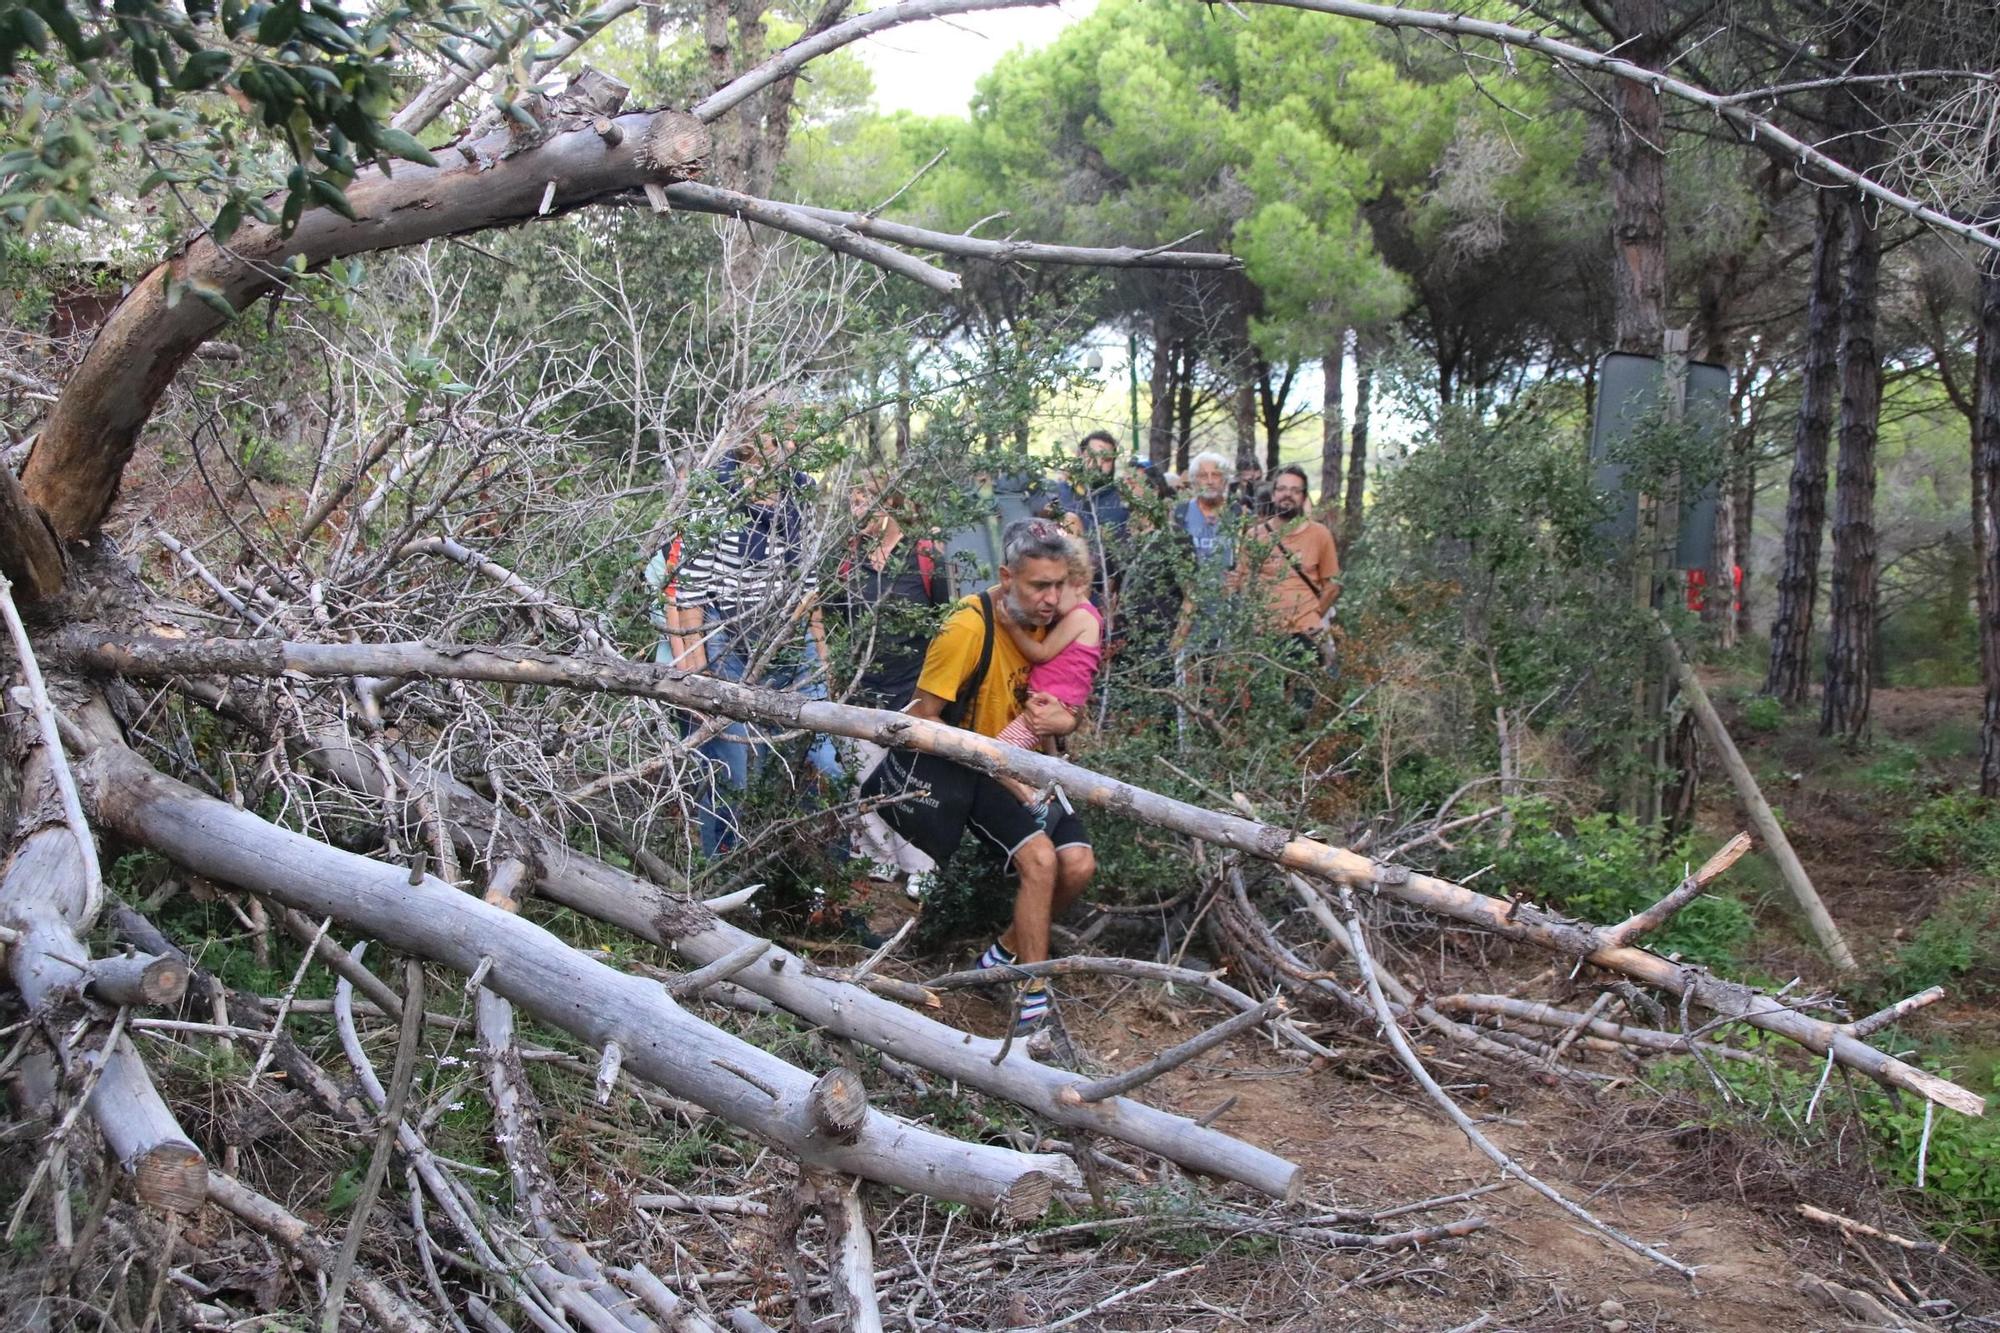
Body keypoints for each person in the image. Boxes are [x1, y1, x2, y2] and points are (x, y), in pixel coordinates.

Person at [860, 518, 1097, 1034]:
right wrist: (998, 770)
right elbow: (922, 716)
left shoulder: (1053, 622)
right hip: (976, 765)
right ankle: (1033, 997)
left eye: (1059, 585)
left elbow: (1069, 701)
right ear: (1007, 576)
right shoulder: (968, 626)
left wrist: (1069, 720)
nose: (1052, 599)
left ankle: (1001, 957)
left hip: (1032, 762)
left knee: (1076, 865)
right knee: (1039, 862)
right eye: (1038, 586)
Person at [646, 421, 841, 857]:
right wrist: (695, 681)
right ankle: (725, 872)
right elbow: (690, 593)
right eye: (781, 435)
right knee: (728, 770)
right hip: (726, 636)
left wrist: (821, 659)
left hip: (786, 634)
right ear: (754, 441)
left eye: (794, 434)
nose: (793, 444)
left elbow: (806, 579)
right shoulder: (716, 495)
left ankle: (814, 876)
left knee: (820, 761)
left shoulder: (800, 491)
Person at [994, 539, 1104, 805]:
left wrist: (1012, 627)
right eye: (1044, 587)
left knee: (997, 756)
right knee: (1048, 762)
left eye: (1059, 587)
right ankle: (1050, 790)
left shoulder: (1080, 617)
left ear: (1077, 584)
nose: (1051, 599)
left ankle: (1031, 799)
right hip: (1055, 702)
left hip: (1051, 705)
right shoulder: (1081, 616)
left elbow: (1041, 653)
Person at [1238, 463, 1341, 665]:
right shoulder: (1254, 536)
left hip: (1308, 634)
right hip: (1265, 635)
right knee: (1265, 694)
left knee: (1304, 694)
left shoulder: (1320, 535)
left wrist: (1313, 617)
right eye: (1282, 489)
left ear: (1303, 497)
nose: (1288, 495)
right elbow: (1243, 582)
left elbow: (1332, 587)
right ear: (1274, 494)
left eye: (1295, 491)